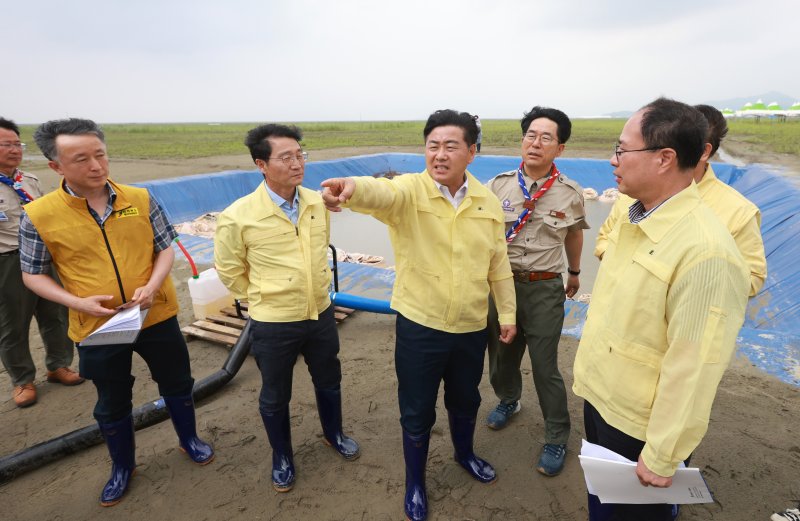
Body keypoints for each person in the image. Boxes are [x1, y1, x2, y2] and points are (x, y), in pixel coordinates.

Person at [321, 109, 517, 521]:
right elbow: (380, 192)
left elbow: (498, 264)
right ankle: (415, 482)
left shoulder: (486, 202)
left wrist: (508, 315)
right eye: (432, 146)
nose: (439, 154)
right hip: (421, 326)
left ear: (472, 152)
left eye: (450, 146)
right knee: (417, 408)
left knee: (466, 398)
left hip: (468, 326)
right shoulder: (410, 191)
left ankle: (465, 453)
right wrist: (349, 186)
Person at [20, 118, 214, 507]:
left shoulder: (139, 198)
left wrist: (153, 285)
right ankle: (123, 466)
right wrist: (78, 303)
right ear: (56, 166)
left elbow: (165, 248)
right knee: (111, 397)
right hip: (97, 325)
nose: (96, 165)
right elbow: (33, 274)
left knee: (177, 381)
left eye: (100, 155)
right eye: (81, 159)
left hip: (154, 315)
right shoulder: (39, 214)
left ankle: (189, 440)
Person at [572, 98, 750, 521]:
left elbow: (695, 364)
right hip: (602, 398)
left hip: (640, 425)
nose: (612, 159)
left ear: (665, 159)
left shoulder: (705, 251)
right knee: (602, 507)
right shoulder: (634, 217)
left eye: (621, 149)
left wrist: (663, 453)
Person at [214, 124, 359, 494]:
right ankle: (282, 456)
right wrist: (266, 296)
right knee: (276, 393)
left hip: (321, 314)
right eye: (286, 157)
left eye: (300, 155)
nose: (297, 163)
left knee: (329, 379)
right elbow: (231, 272)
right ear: (262, 164)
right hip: (274, 322)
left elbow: (321, 249)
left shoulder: (315, 202)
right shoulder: (238, 215)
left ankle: (334, 434)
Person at [484, 106, 588, 476]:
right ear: (522, 139)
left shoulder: (570, 193)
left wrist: (574, 273)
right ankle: (508, 400)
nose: (536, 142)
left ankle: (557, 436)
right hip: (502, 286)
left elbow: (574, 232)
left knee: (545, 366)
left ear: (559, 148)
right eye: (531, 134)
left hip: (545, 287)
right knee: (501, 354)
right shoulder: (497, 186)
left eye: (546, 137)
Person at [594, 104, 767, 297]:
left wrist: (677, 280)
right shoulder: (632, 195)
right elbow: (604, 239)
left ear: (703, 151)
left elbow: (752, 278)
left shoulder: (738, 211)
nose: (614, 160)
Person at [0, 117, 81, 408]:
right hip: (7, 263)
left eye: (17, 144)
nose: (15, 150)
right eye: (6, 144)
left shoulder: (29, 182)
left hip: (44, 258)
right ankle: (22, 380)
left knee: (56, 314)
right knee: (13, 325)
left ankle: (59, 365)